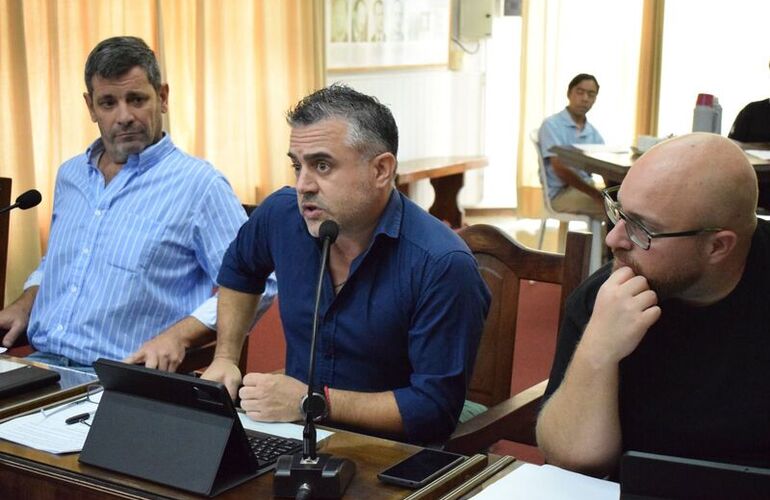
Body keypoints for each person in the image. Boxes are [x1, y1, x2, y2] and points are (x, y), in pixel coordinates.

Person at [201, 84, 490, 445]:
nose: (303, 185)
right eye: (297, 165)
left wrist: (312, 402)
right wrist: (226, 356)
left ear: (381, 170)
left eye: (322, 165)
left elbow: (433, 409)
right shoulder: (280, 215)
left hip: (392, 449)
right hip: (294, 431)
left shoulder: (442, 264)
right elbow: (240, 269)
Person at [0, 36, 274, 372]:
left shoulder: (199, 186)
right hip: (39, 367)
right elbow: (63, 260)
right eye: (108, 103)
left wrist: (179, 336)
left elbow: (258, 284)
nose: (124, 116)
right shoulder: (71, 175)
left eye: (136, 99)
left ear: (162, 98)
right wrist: (27, 303)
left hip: (123, 379)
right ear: (90, 107)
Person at [536, 133, 770, 477]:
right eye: (618, 211)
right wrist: (596, 353)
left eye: (641, 228)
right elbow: (570, 458)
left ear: (717, 247)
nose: (614, 239)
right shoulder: (606, 295)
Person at [538, 73, 605, 217]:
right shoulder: (551, 125)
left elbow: (605, 167)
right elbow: (560, 168)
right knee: (617, 210)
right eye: (580, 92)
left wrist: (612, 191)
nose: (585, 98)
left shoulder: (592, 132)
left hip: (586, 189)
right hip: (560, 194)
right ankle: (601, 240)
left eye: (591, 94)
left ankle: (602, 239)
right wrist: (596, 195)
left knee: (625, 203)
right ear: (569, 93)